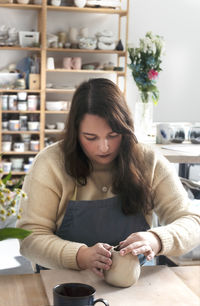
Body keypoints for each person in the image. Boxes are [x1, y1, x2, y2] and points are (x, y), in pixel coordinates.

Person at [17, 78, 200, 276]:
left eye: (113, 135)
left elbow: (192, 221)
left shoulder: (149, 161)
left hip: (134, 284)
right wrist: (80, 256)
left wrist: (156, 240)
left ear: (125, 128)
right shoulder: (50, 163)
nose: (104, 147)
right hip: (62, 282)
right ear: (75, 133)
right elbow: (29, 237)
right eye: (91, 137)